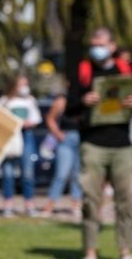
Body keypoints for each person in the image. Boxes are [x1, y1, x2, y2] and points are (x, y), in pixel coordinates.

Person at [66, 27, 132, 259]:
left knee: (127, 202)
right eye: (94, 44)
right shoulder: (83, 72)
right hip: (92, 143)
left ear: (112, 46)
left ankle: (125, 250)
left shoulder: (126, 71)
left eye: (102, 44)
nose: (97, 48)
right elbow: (68, 109)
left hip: (123, 145)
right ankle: (90, 251)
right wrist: (83, 100)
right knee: (90, 201)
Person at [0, 74, 42, 217]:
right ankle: (8, 204)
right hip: (10, 137)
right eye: (21, 84)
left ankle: (29, 204)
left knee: (28, 172)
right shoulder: (5, 101)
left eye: (26, 84)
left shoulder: (30, 100)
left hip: (26, 136)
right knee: (8, 173)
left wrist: (27, 123)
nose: (24, 87)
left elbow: (37, 118)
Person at [41, 79, 84, 219]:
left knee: (78, 175)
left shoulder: (85, 100)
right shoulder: (61, 101)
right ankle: (50, 204)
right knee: (61, 174)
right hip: (66, 139)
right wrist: (58, 134)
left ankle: (76, 204)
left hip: (82, 139)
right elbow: (50, 118)